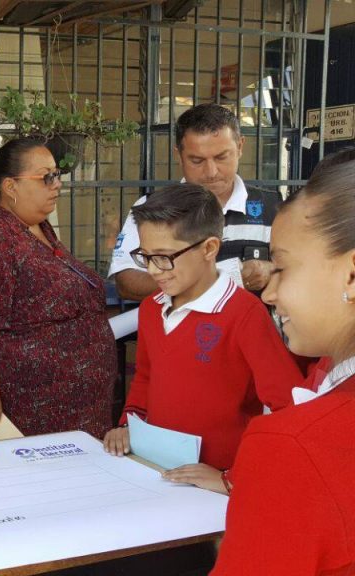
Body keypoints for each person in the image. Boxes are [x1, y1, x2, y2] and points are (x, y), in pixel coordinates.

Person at [102, 183, 302, 493]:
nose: (154, 271)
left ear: (209, 248)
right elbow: (145, 377)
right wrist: (128, 425)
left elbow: (289, 407)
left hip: (217, 485)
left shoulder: (244, 314)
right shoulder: (151, 309)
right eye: (146, 256)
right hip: (155, 473)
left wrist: (234, 477)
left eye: (165, 257)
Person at [211, 150, 355, 574]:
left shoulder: (293, 444)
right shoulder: (322, 375)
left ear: (351, 274)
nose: (269, 293)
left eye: (282, 267)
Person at [0, 138, 116, 438]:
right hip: (31, 408)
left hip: (77, 407)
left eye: (57, 175)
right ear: (10, 187)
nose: (57, 185)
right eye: (46, 177)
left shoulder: (39, 228)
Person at [109, 104, 281, 300]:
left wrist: (273, 271)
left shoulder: (273, 207)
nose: (211, 172)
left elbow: (303, 272)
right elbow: (127, 284)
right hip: (177, 329)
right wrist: (229, 276)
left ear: (240, 147)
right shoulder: (150, 207)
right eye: (197, 161)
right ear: (179, 156)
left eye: (221, 157)